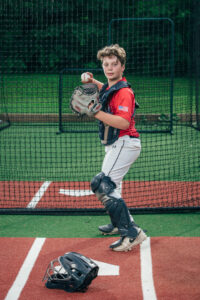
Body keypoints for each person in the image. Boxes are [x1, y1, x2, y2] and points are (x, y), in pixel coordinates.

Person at [82, 44, 147, 252]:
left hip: (125, 143)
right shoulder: (113, 86)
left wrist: (96, 113)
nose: (109, 68)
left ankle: (132, 233)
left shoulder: (125, 92)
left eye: (114, 64)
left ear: (122, 67)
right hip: (116, 144)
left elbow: (123, 123)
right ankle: (118, 223)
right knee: (111, 187)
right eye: (106, 64)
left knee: (103, 185)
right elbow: (107, 89)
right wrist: (92, 81)